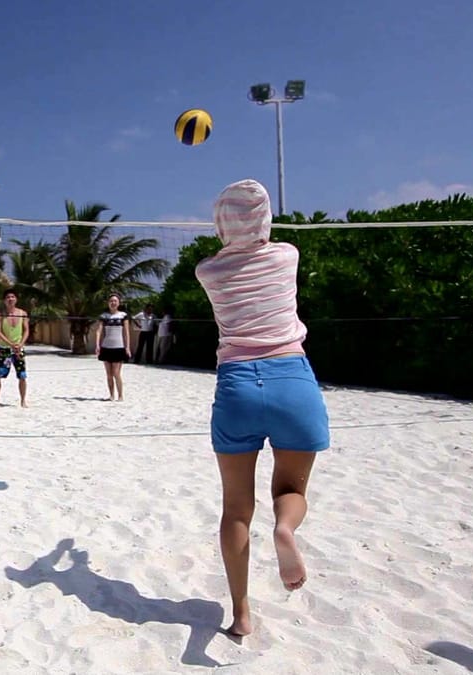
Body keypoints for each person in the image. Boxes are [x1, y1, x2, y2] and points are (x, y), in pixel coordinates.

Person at [195, 179, 330, 638]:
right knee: (290, 490)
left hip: (237, 387)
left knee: (236, 508)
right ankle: (286, 530)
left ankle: (241, 613)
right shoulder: (287, 255)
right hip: (292, 380)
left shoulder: (206, 271)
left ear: (220, 224)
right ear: (265, 219)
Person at [0, 288, 29, 407]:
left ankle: (23, 401)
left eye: (12, 297)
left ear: (16, 299)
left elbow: (26, 330)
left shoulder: (23, 313)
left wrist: (20, 344)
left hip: (19, 349)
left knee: (22, 376)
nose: (10, 299)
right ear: (4, 300)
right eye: (8, 297)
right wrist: (11, 344)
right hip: (4, 349)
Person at [94, 293, 131, 400]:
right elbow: (98, 331)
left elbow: (126, 333)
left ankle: (120, 395)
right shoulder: (104, 316)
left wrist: (127, 347)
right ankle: (111, 395)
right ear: (108, 303)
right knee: (109, 374)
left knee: (116, 373)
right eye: (111, 301)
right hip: (106, 347)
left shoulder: (123, 315)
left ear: (119, 303)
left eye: (115, 301)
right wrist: (97, 345)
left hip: (119, 347)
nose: (113, 303)